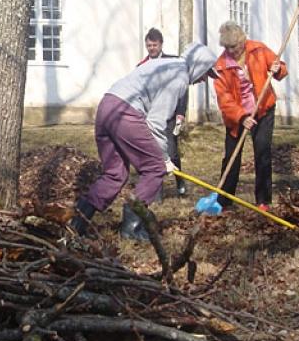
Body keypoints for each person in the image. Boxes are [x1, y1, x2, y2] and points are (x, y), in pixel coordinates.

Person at [71, 42, 220, 241]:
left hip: (106, 106)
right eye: (205, 73)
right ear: (198, 65)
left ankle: (77, 224)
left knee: (115, 174)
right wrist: (164, 158)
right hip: (126, 112)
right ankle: (132, 227)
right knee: (154, 168)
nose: (203, 80)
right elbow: (156, 122)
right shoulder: (179, 77)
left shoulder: (164, 64)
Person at [213, 21, 287, 210]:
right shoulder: (221, 66)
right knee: (231, 157)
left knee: (262, 152)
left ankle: (263, 200)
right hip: (237, 117)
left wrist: (278, 69)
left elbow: (279, 69)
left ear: (242, 40)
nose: (234, 51)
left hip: (263, 109)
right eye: (229, 47)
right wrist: (241, 117)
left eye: (236, 46)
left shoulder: (258, 50)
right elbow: (225, 99)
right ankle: (223, 200)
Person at [137, 28, 189, 196]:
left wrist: (181, 112)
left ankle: (180, 182)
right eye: (149, 45)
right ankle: (156, 189)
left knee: (171, 151)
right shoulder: (141, 66)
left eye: (154, 45)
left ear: (161, 44)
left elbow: (182, 88)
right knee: (153, 152)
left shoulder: (172, 63)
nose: (151, 48)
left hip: (170, 114)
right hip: (150, 116)